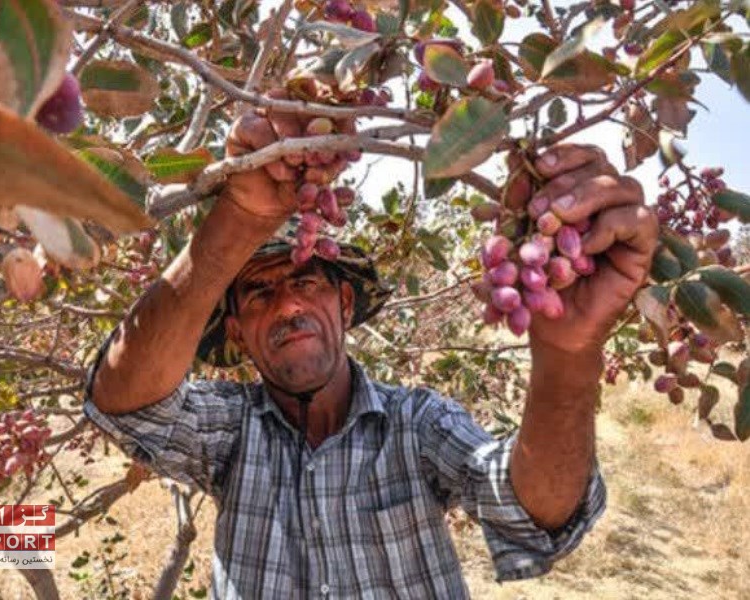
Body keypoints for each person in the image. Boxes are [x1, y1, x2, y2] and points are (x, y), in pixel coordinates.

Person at [82, 106, 659, 598]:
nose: (286, 306)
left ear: (345, 302)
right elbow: (125, 401)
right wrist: (239, 219)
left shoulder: (418, 424)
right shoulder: (232, 430)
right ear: (236, 331)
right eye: (259, 292)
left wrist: (568, 353)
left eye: (307, 281)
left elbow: (535, 515)